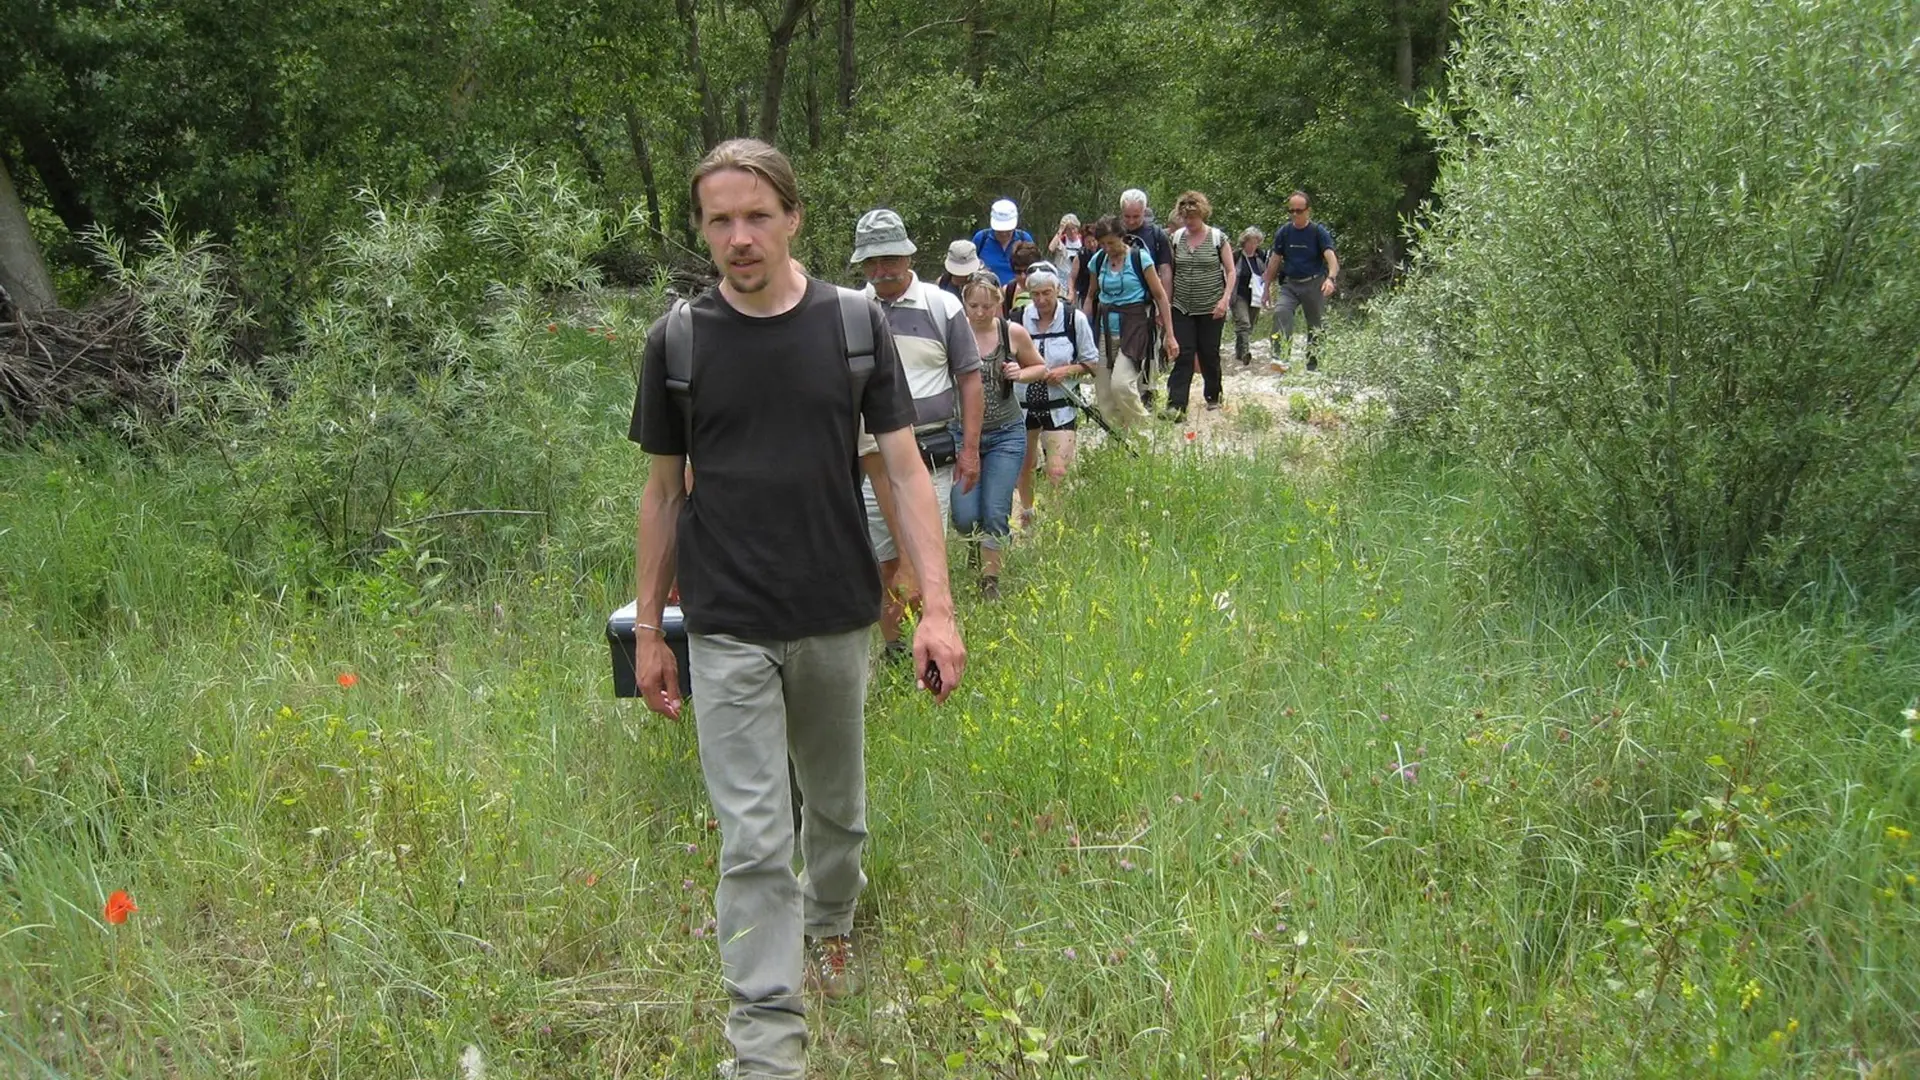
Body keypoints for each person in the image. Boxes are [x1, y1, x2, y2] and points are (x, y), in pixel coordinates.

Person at [629, 138, 966, 1080]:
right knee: (753, 835)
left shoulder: (854, 326)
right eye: (719, 221)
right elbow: (662, 493)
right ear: (703, 229)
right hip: (727, 621)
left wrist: (937, 608)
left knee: (837, 813)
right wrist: (651, 631)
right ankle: (766, 1044)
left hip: (835, 611)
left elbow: (905, 469)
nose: (739, 237)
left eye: (756, 216)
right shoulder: (678, 343)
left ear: (792, 218)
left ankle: (830, 924)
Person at [852, 208, 985, 665]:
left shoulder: (941, 305)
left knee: (925, 557)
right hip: (871, 455)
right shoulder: (852, 309)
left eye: (889, 259)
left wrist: (971, 450)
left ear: (908, 256)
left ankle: (935, 644)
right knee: (884, 556)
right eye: (871, 262)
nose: (880, 270)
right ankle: (895, 650)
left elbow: (969, 378)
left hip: (929, 452)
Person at [953, 272, 1047, 598]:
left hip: (1006, 433)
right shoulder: (954, 332)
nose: (980, 312)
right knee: (964, 516)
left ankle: (990, 582)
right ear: (964, 303)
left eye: (987, 306)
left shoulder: (1012, 333)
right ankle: (975, 546)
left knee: (995, 510)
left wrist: (1020, 373)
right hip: (961, 433)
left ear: (998, 303)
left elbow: (1040, 367)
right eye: (973, 305)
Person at [1016, 263, 1098, 526]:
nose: (1041, 300)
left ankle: (1056, 522)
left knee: (1057, 471)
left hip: (1061, 405)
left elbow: (1092, 363)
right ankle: (1028, 514)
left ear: (1057, 290)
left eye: (1046, 293)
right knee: (1025, 466)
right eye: (1035, 294)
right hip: (1022, 407)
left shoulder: (1075, 319)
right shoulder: (1016, 320)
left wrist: (1067, 371)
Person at [1080, 215, 1174, 431]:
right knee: (1104, 393)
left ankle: (1143, 433)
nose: (1107, 248)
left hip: (1135, 328)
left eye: (1111, 243)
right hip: (1105, 329)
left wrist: (1170, 335)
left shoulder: (1140, 259)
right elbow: (1091, 295)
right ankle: (1119, 440)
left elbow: (1160, 296)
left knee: (1121, 385)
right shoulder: (1098, 261)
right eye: (1102, 244)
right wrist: (1083, 327)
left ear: (1122, 237)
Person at [1164, 191, 1236, 417]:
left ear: (1202, 214)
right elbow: (1170, 272)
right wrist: (1166, 303)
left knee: (1209, 353)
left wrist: (1225, 299)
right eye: (1185, 217)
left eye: (1193, 217)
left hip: (1211, 307)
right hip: (1182, 306)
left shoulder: (1218, 238)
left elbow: (1231, 271)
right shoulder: (1176, 239)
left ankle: (1213, 396)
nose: (1189, 221)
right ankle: (1176, 405)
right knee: (1183, 353)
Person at [1262, 190, 1339, 373]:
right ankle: (1280, 357)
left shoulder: (1318, 232)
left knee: (1316, 324)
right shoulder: (1284, 232)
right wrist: (1266, 287)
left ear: (1308, 210)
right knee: (1281, 312)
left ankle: (1314, 365)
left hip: (1314, 283)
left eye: (1299, 210)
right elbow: (1274, 260)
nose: (1295, 214)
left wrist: (1330, 279)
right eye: (1292, 211)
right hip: (1290, 283)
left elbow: (1331, 258)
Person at [1118, 188, 1175, 406]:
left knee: (1149, 345)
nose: (1131, 221)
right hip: (1118, 302)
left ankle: (1147, 390)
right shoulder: (1115, 232)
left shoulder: (1156, 235)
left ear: (1144, 212)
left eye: (1136, 216)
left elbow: (1165, 271)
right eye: (1127, 216)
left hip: (1147, 301)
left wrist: (1164, 305)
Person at [971, 198, 1034, 285]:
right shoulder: (981, 239)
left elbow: (1033, 269)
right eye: (1000, 230)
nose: (1004, 234)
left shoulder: (1024, 238)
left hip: (1018, 290)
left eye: (1008, 230)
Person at [1230, 228, 1267, 367]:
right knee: (1243, 322)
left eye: (1255, 242)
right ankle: (1245, 352)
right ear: (1244, 242)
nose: (1253, 245)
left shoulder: (1261, 256)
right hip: (1239, 294)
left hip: (1255, 295)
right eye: (1250, 242)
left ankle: (1239, 350)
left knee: (1249, 325)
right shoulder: (1236, 256)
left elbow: (1267, 274)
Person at [1047, 214, 1084, 303]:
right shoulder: (1061, 240)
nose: (1072, 232)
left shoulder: (1083, 241)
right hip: (1062, 279)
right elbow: (1051, 248)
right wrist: (1060, 230)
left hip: (1078, 280)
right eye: (1068, 229)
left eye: (1073, 228)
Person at [1002, 240, 1043, 316]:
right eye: (1018, 271)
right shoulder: (1009, 290)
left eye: (1027, 271)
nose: (1023, 276)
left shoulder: (1048, 290)